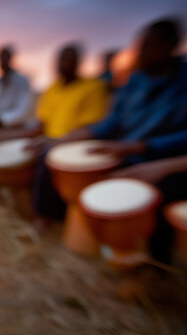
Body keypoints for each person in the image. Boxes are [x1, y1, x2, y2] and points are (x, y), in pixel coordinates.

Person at [32, 18, 187, 223]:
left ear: (170, 46)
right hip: (122, 151)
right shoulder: (135, 80)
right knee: (50, 156)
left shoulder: (182, 83)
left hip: (159, 159)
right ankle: (53, 219)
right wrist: (72, 138)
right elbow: (112, 122)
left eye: (149, 45)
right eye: (140, 44)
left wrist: (137, 147)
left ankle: (148, 250)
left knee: (154, 189)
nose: (141, 51)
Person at [34, 43, 111, 139]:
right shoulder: (51, 89)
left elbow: (91, 127)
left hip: (75, 142)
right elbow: (42, 124)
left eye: (68, 60)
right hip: (49, 140)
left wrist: (57, 143)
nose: (64, 64)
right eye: (62, 60)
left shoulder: (94, 87)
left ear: (77, 63)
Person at [0, 45, 35, 128]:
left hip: (13, 126)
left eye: (5, 58)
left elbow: (23, 110)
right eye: (1, 58)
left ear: (11, 59)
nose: (3, 61)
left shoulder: (22, 81)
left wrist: (0, 119)